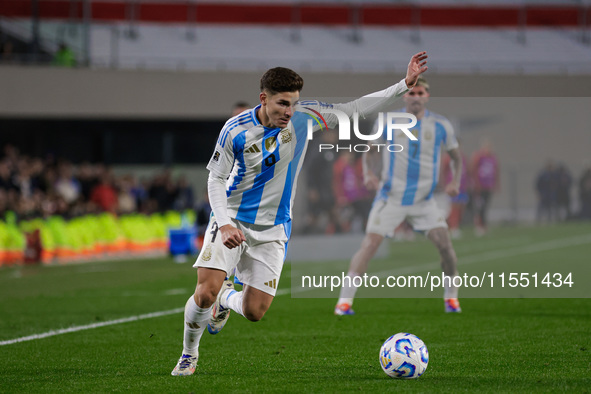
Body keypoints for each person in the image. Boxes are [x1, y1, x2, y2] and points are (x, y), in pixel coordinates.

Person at [171, 51, 429, 376]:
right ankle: (188, 354)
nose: (289, 111)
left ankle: (227, 300)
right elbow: (216, 178)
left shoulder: (306, 117)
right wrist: (223, 223)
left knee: (254, 311)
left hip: (274, 228)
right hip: (232, 219)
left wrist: (402, 85)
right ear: (263, 98)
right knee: (205, 290)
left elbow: (354, 109)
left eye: (293, 103)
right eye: (281, 103)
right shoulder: (235, 130)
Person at [335, 77, 463, 316]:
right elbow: (369, 151)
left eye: (421, 93)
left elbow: (456, 157)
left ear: (427, 96)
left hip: (424, 201)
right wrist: (368, 174)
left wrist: (454, 181)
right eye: (412, 93)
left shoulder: (441, 125)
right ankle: (344, 303)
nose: (416, 97)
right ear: (405, 96)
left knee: (445, 246)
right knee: (370, 244)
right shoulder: (388, 121)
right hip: (390, 198)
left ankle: (451, 299)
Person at [470, 138, 499, 236]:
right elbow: (473, 169)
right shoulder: (478, 156)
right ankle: (479, 226)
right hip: (480, 187)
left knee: (485, 206)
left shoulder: (492, 158)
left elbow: (495, 171)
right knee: (480, 207)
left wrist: (496, 184)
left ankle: (484, 225)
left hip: (488, 186)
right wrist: (476, 184)